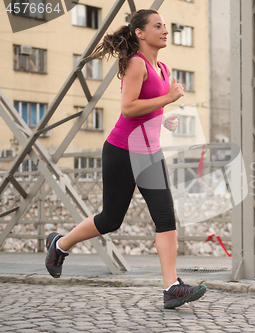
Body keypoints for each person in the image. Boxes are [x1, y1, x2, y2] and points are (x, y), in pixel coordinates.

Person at [44, 9, 207, 309]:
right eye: (157, 26)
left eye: (165, 25)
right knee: (110, 220)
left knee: (165, 217)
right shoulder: (136, 64)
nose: (165, 30)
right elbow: (129, 108)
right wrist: (169, 100)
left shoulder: (164, 68)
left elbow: (148, 110)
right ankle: (60, 245)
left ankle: (171, 287)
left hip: (149, 152)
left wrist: (164, 120)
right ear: (140, 33)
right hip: (122, 151)